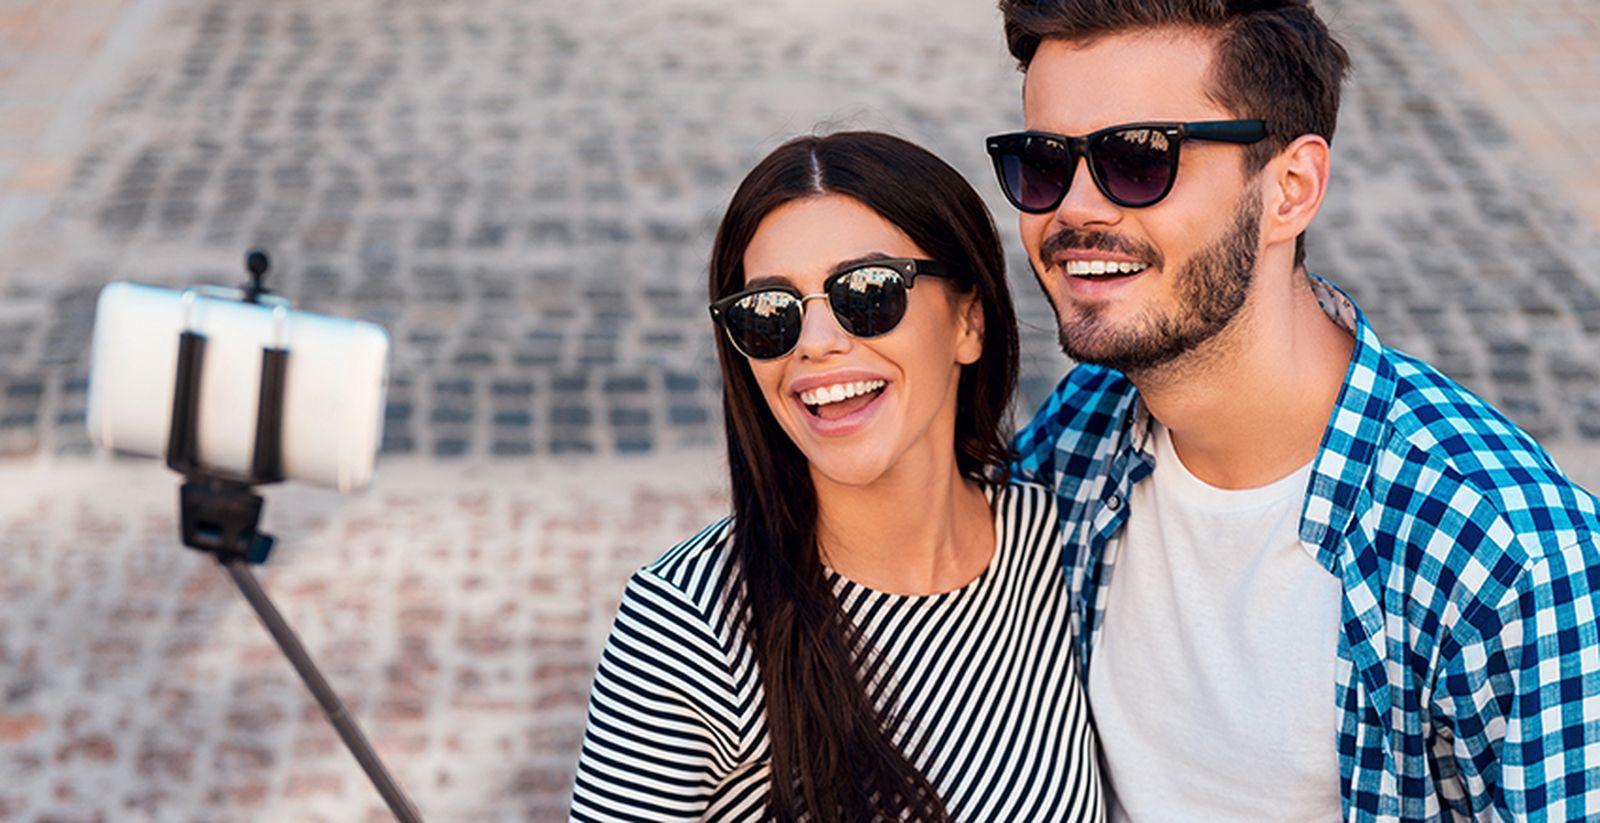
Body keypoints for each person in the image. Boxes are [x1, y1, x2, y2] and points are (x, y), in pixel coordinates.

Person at [987, 1, 1600, 820]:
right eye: (1045, 163)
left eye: (1138, 160)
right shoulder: (1079, 433)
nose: (1074, 211)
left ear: (1291, 188)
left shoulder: (1504, 558)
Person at [570, 131, 1104, 822]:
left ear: (970, 320)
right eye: (770, 313)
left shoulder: (1057, 544)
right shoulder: (690, 623)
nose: (816, 342)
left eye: (868, 291)